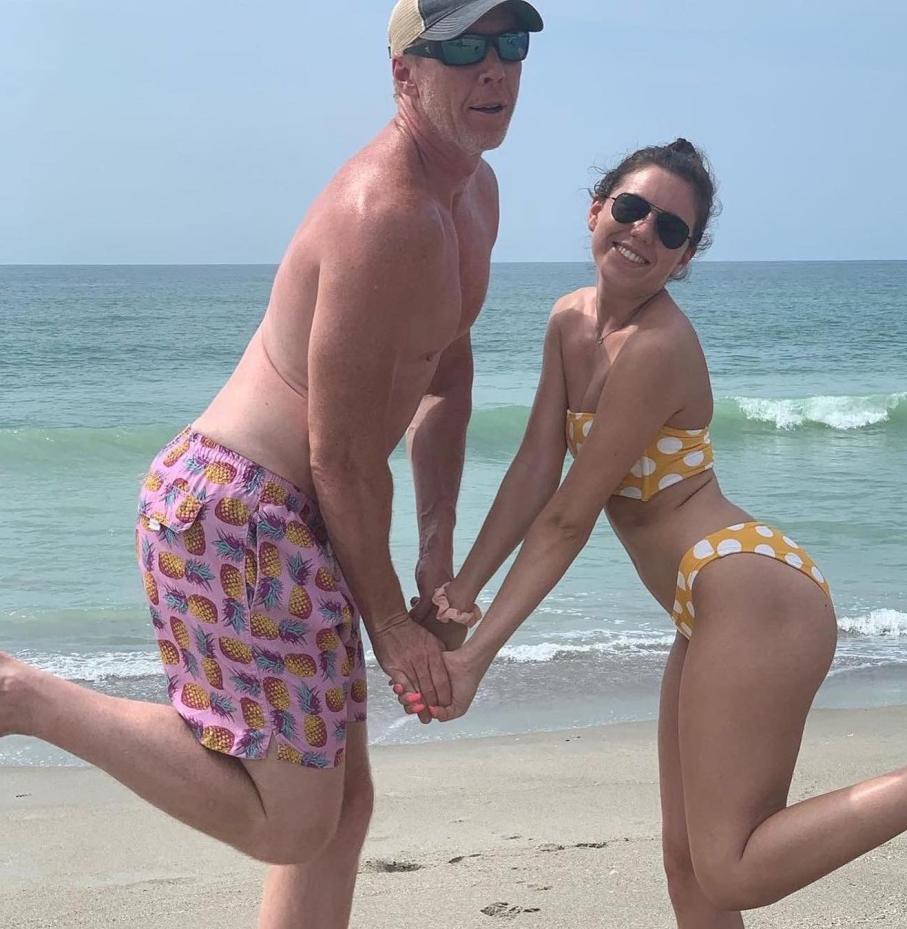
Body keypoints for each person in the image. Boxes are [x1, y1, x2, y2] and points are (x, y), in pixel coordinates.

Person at [0, 2, 543, 927]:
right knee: (292, 822)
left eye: (509, 45)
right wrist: (391, 627)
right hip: (240, 513)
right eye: (459, 49)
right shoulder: (387, 213)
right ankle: (24, 696)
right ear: (405, 75)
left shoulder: (475, 198)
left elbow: (446, 372)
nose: (492, 70)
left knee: (341, 813)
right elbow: (337, 453)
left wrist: (435, 554)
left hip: (298, 516)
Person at [393, 139, 907, 926]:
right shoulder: (568, 320)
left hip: (756, 595)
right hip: (710, 607)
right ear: (597, 211)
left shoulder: (658, 348)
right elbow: (533, 468)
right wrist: (458, 594)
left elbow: (568, 515)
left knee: (728, 868)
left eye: (671, 230)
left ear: (685, 258)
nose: (643, 232)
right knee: (687, 864)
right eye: (630, 209)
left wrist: (479, 655)